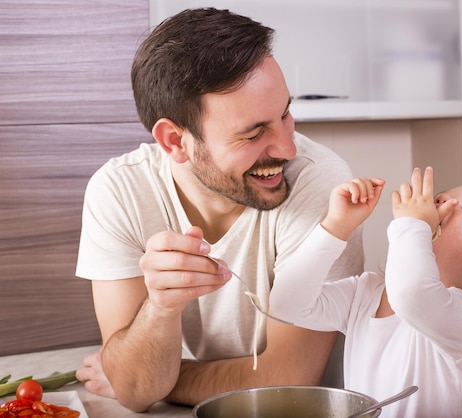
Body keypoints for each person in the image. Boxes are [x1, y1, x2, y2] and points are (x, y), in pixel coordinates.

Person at [74, 7, 364, 412]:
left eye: (285, 114)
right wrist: (161, 306)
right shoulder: (120, 191)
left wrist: (161, 379)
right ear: (175, 140)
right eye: (254, 132)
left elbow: (289, 382)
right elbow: (136, 393)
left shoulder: (321, 185)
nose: (287, 149)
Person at [270, 166, 462, 417]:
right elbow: (287, 303)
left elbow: (411, 294)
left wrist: (412, 224)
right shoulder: (365, 293)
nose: (443, 200)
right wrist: (336, 226)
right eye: (444, 196)